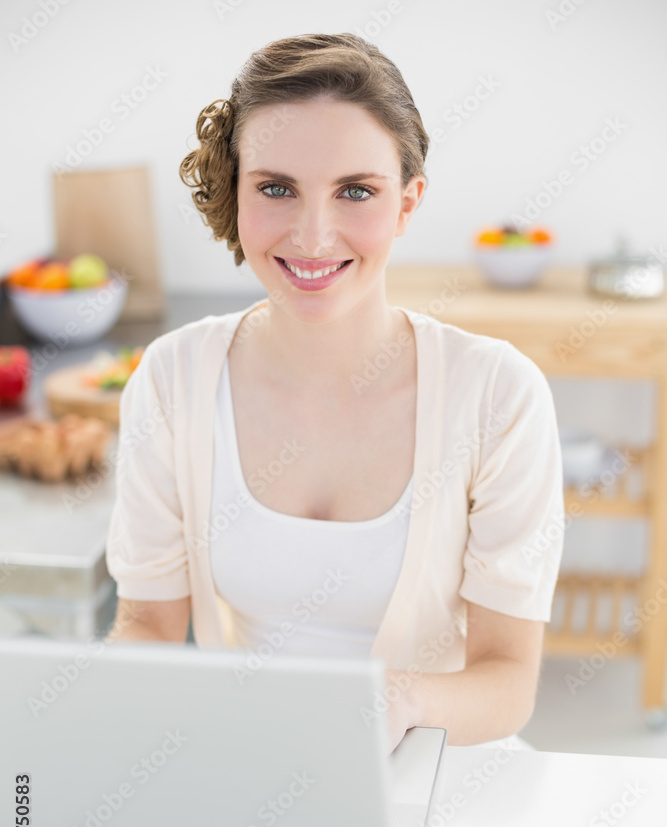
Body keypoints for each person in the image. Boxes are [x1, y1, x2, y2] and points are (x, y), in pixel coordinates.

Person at [105, 32, 564, 753]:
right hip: (250, 775)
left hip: (445, 768)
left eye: (355, 191)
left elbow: (506, 681)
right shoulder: (171, 380)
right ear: (235, 192)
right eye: (276, 187)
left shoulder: (498, 395)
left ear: (407, 203)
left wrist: (392, 704)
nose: (313, 235)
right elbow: (148, 626)